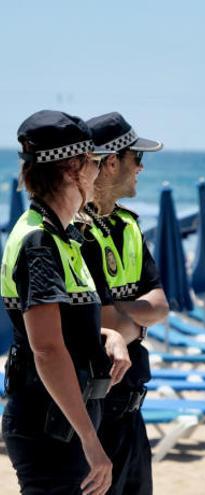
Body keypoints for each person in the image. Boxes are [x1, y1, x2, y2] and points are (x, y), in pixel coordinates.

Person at [2, 110, 129, 495]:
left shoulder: (62, 235)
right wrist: (91, 441)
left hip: (61, 420)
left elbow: (60, 326)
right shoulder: (40, 242)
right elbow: (46, 349)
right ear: (73, 168)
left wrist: (108, 334)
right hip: (50, 426)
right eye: (92, 162)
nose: (98, 172)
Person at [78, 112, 171, 495]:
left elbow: (162, 303)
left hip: (131, 410)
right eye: (136, 157)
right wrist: (135, 316)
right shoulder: (75, 231)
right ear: (112, 161)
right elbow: (96, 320)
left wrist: (126, 317)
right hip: (93, 409)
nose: (142, 166)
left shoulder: (128, 226)